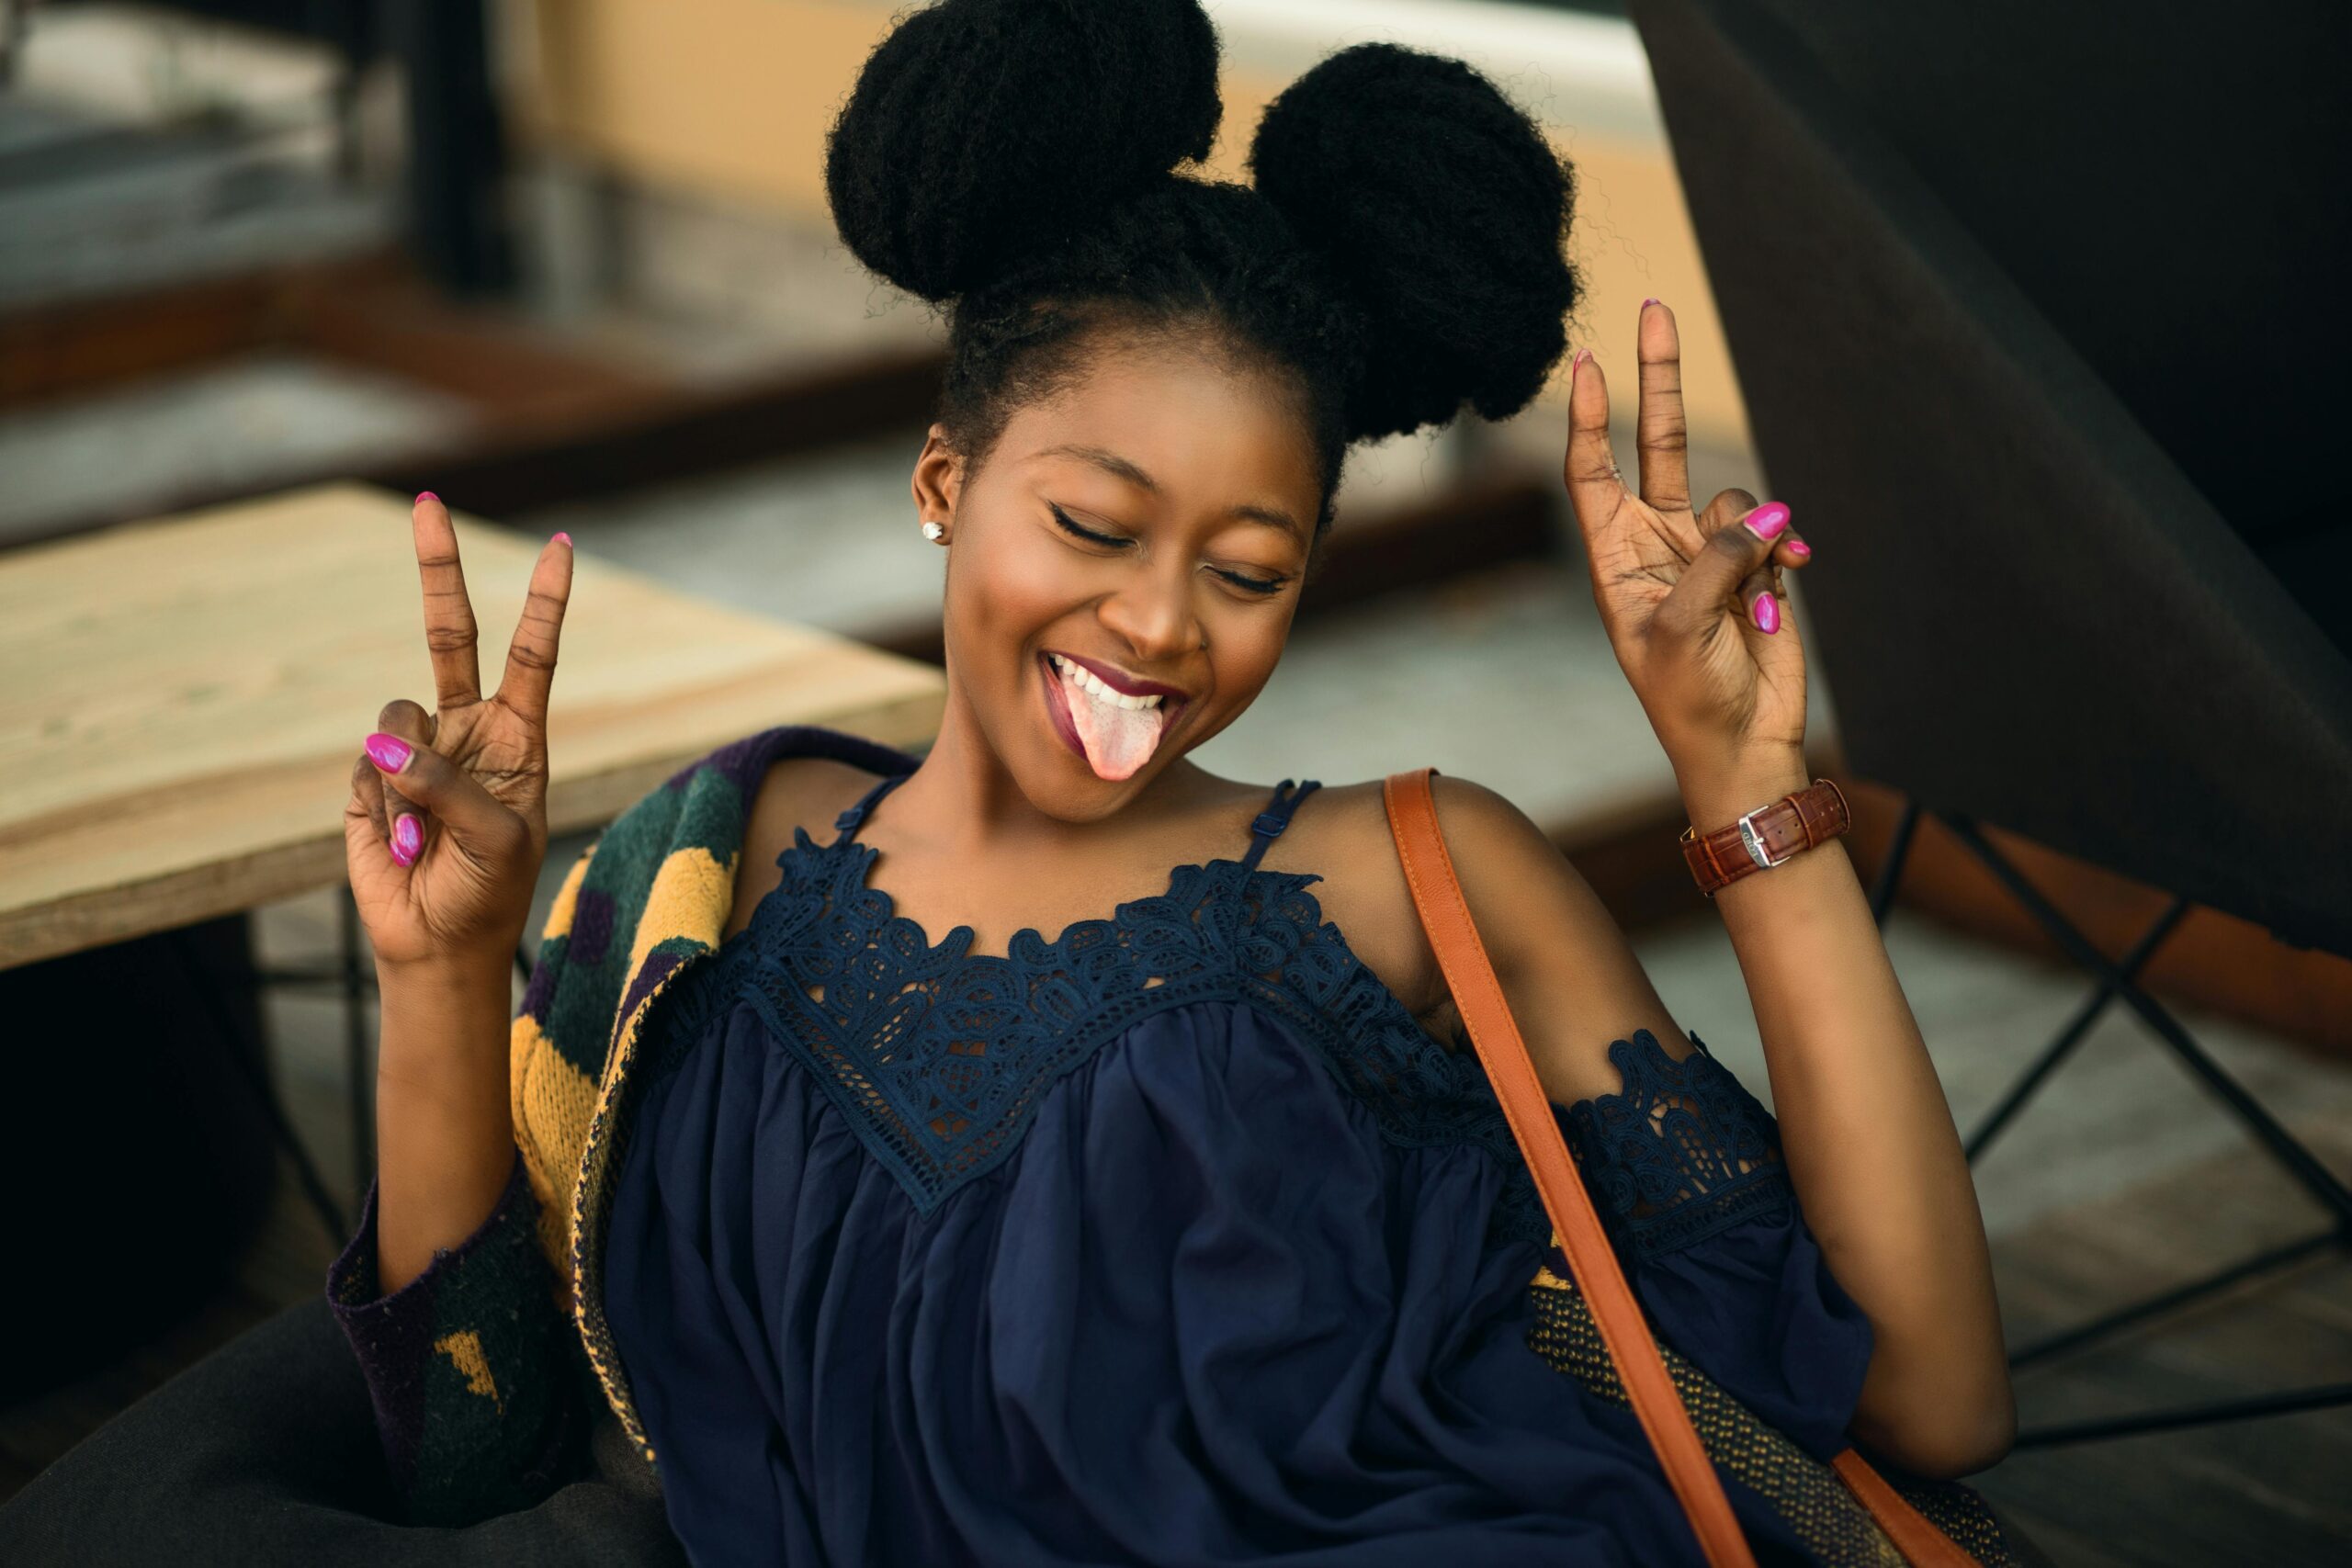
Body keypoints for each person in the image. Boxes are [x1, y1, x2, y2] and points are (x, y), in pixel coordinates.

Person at [324, 1, 2018, 1562]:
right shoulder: (695, 890)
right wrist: (441, 973)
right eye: (1091, 523)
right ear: (944, 478)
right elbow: (477, 1458)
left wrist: (1745, 777)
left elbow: (1930, 1398)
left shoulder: (1417, 883)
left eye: (1251, 568)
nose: (1155, 627)